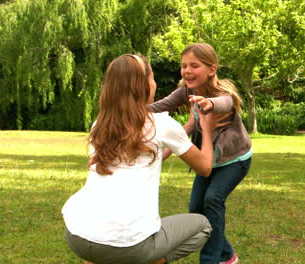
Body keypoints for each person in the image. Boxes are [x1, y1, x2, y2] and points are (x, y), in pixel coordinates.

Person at [62, 54, 220, 264]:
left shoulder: (100, 124)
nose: (154, 84)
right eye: (152, 78)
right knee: (202, 226)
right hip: (130, 245)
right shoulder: (161, 124)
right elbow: (204, 168)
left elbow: (141, 156)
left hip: (77, 236)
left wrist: (188, 127)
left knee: (104, 247)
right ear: (143, 85)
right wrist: (206, 129)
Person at [149, 43, 252, 264]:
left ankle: (211, 260)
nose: (187, 71)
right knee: (197, 210)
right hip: (208, 163)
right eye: (184, 65)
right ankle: (228, 255)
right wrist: (127, 108)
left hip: (235, 161)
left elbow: (225, 103)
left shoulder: (222, 92)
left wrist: (209, 103)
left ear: (211, 69)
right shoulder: (186, 92)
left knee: (213, 199)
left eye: (194, 66)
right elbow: (159, 106)